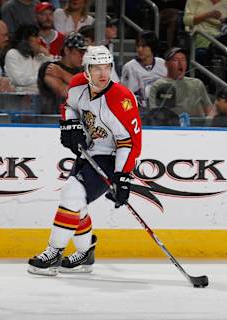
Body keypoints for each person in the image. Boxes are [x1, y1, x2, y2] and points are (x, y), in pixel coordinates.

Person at [28, 45, 142, 275]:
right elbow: (69, 107)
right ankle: (85, 252)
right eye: (96, 68)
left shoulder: (121, 99)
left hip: (113, 157)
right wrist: (69, 124)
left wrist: (123, 177)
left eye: (107, 67)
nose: (103, 73)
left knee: (71, 193)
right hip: (89, 152)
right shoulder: (79, 84)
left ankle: (54, 251)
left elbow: (129, 143)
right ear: (87, 70)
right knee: (74, 199)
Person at [148, 47, 212, 118]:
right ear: (166, 64)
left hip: (195, 126)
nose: (180, 63)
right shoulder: (158, 85)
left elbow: (209, 110)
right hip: (171, 126)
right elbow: (154, 114)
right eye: (176, 60)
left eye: (183, 60)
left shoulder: (197, 83)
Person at [37, 32, 86, 114]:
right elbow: (65, 92)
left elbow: (89, 91)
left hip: (79, 119)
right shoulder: (49, 67)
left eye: (84, 52)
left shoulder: (83, 70)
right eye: (80, 52)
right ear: (67, 50)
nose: (82, 56)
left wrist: (62, 74)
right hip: (52, 119)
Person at [121, 30, 167, 108]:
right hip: (139, 112)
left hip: (162, 110)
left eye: (144, 46)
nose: (139, 49)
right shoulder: (129, 67)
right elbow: (125, 98)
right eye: (138, 46)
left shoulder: (162, 64)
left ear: (152, 47)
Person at [5, 24, 51, 93]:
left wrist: (47, 55)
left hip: (40, 96)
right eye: (35, 36)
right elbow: (20, 80)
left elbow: (53, 74)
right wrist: (44, 78)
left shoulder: (40, 56)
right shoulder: (13, 54)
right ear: (25, 39)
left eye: (39, 37)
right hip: (19, 98)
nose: (39, 40)